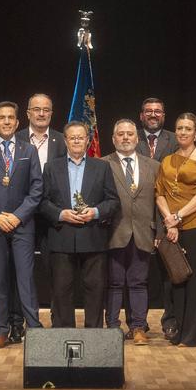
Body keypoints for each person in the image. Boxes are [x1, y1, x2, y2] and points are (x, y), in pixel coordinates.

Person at [0, 101, 44, 348]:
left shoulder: (29, 150)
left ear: (17, 121)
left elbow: (37, 189)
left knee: (26, 280)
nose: (6, 121)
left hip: (22, 225)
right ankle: (1, 330)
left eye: (10, 118)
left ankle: (33, 329)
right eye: (1, 117)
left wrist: (18, 216)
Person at [40, 121, 119, 328]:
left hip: (93, 237)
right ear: (65, 140)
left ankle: (93, 335)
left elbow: (113, 201)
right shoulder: (51, 167)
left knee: (95, 290)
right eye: (72, 137)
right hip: (61, 237)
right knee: (61, 290)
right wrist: (60, 214)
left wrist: (94, 212)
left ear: (87, 140)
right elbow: (42, 202)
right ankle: (64, 334)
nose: (76, 140)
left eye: (80, 137)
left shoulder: (102, 167)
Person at [155, 113, 196, 347]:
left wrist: (179, 216)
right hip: (172, 227)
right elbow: (159, 193)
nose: (182, 132)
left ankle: (195, 335)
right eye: (179, 128)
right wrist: (169, 219)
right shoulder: (167, 160)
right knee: (177, 280)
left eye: (188, 128)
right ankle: (178, 332)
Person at [102, 119, 161, 345]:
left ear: (137, 139)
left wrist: (159, 231)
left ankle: (138, 327)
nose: (125, 137)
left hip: (143, 233)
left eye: (130, 134)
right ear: (113, 138)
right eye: (121, 134)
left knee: (138, 282)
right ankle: (113, 327)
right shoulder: (102, 164)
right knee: (115, 282)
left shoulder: (153, 166)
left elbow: (159, 202)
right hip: (114, 233)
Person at [13, 92, 67, 339]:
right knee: (20, 272)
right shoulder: (15, 139)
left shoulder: (61, 140)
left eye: (46, 109)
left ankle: (58, 321)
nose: (42, 113)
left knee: (55, 271)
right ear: (28, 113)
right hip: (20, 214)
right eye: (37, 109)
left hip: (52, 217)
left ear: (51, 113)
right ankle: (18, 323)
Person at [135, 97, 178, 339]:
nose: (153, 115)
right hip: (137, 216)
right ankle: (137, 322)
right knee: (136, 274)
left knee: (169, 273)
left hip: (167, 215)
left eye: (158, 111)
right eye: (148, 111)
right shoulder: (131, 136)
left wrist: (170, 219)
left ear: (164, 115)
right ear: (141, 115)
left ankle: (170, 320)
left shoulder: (175, 139)